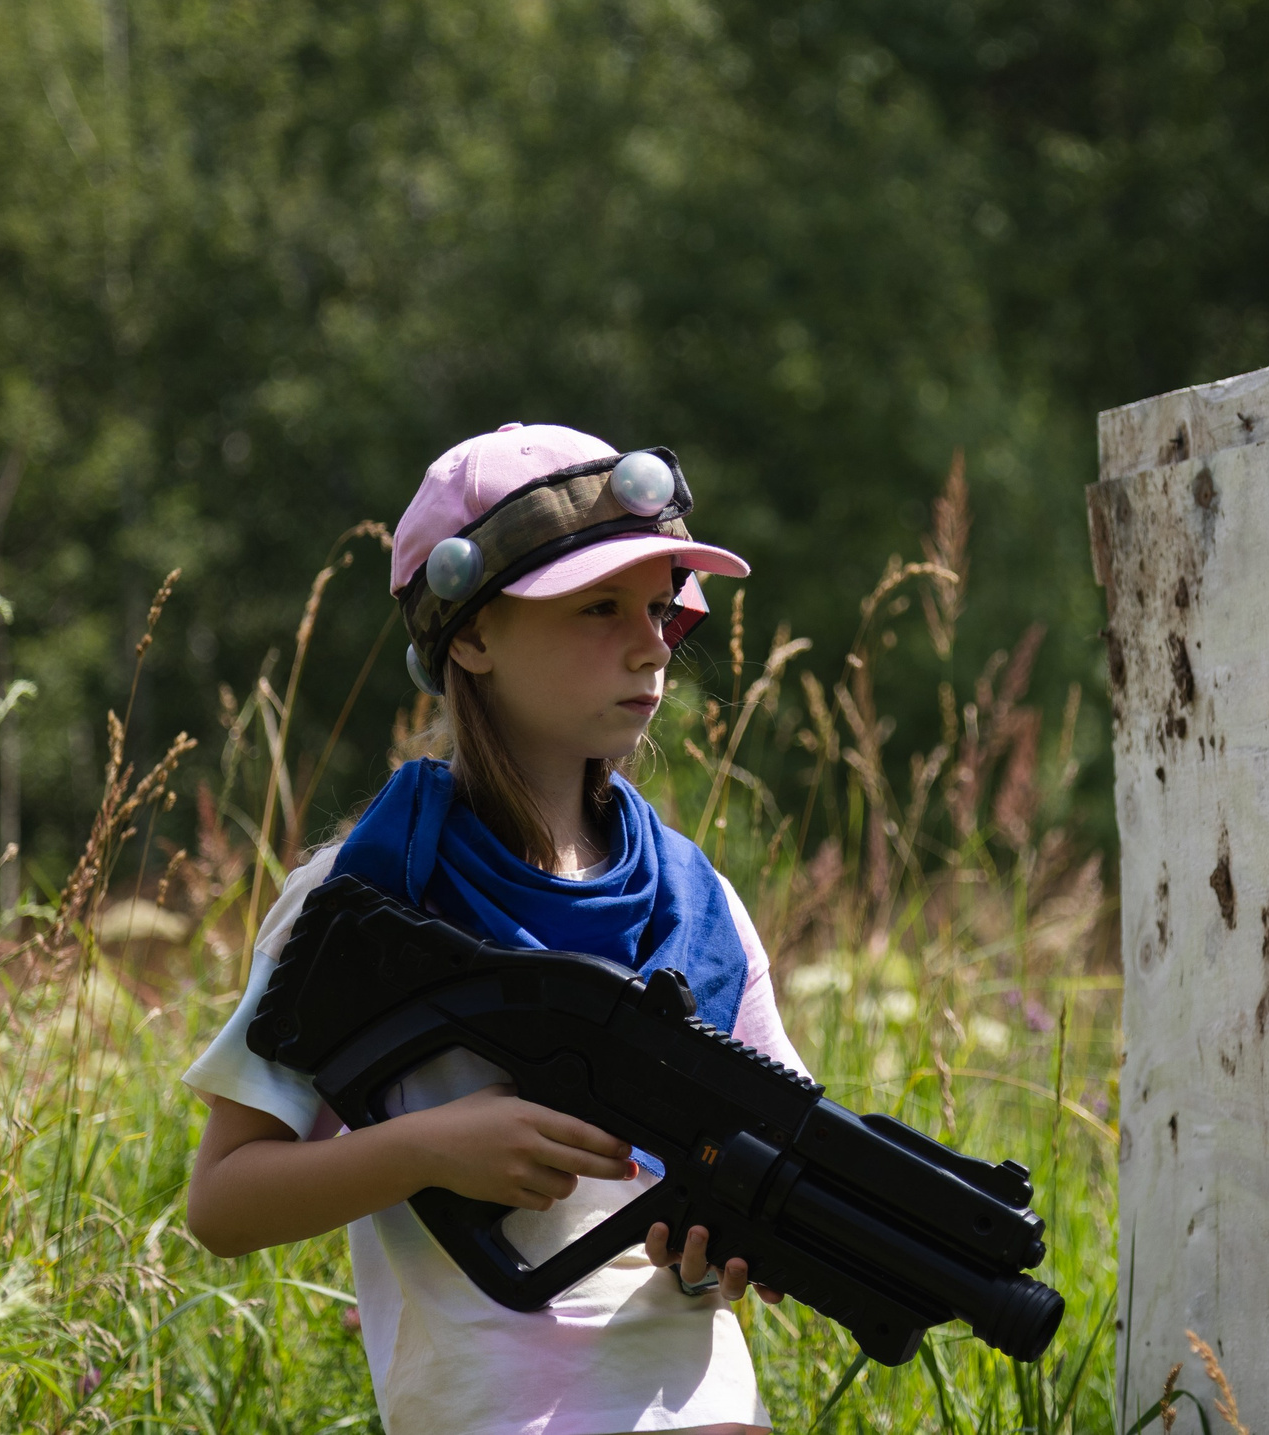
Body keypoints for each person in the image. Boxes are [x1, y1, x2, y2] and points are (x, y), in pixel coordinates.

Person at [182, 424, 805, 1435]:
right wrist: (428, 1148)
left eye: (658, 608)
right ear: (469, 636)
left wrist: (740, 1239)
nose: (651, 643)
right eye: (597, 607)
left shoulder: (699, 909)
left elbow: (781, 1163)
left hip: (700, 1410)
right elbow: (224, 1204)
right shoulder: (368, 900)